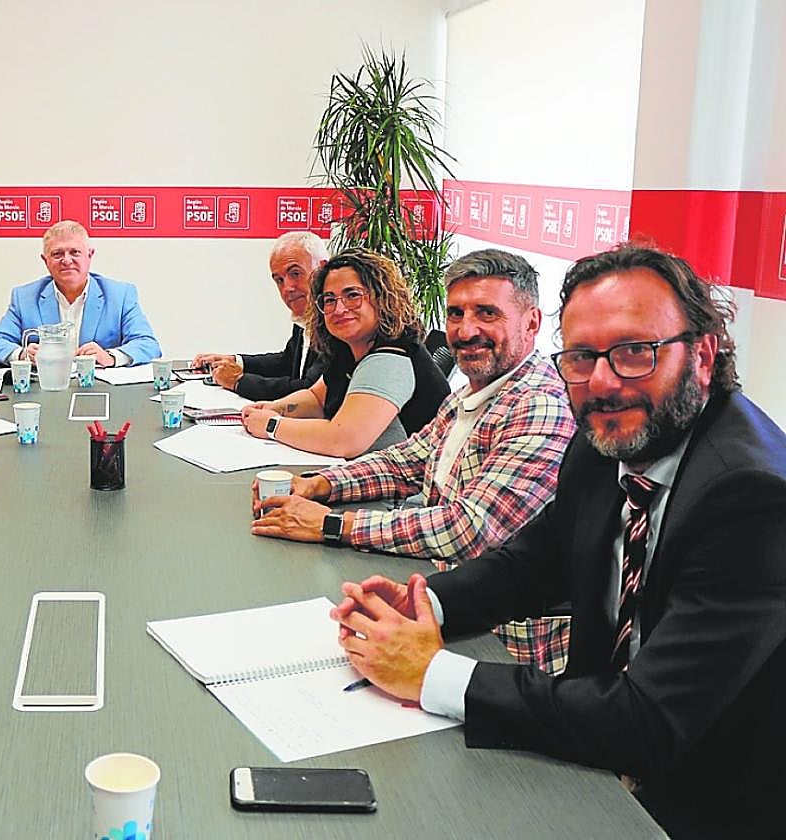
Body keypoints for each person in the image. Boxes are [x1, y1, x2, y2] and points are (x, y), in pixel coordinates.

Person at [331, 245, 786, 838]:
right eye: (580, 356)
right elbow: (535, 562)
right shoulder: (609, 439)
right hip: (592, 763)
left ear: (702, 355)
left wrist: (433, 676)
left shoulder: (751, 497)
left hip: (693, 802)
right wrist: (423, 603)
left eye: (633, 352)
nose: (601, 381)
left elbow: (647, 719)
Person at [251, 249, 576, 672]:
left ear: (532, 321)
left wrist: (331, 524)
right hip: (441, 597)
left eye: (487, 313)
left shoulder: (537, 406)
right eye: (456, 314)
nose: (465, 329)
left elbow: (468, 530)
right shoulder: (474, 394)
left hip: (501, 647)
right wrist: (319, 484)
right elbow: (407, 461)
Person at [240, 249, 448, 459]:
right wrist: (274, 407)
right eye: (329, 300)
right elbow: (317, 399)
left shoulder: (391, 357)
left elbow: (344, 440)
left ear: (382, 297)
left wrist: (271, 425)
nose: (339, 309)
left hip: (405, 488)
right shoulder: (351, 348)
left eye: (352, 296)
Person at [0, 220, 161, 367]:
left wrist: (110, 357)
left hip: (100, 391)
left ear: (89, 255)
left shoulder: (120, 295)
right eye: (57, 254)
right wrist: (22, 354)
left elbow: (148, 344)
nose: (66, 260)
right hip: (46, 390)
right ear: (46, 260)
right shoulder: (25, 297)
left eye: (75, 252)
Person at [192, 231, 329, 400]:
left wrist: (238, 381)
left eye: (295, 274)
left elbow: (309, 391)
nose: (287, 288)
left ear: (322, 268)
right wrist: (235, 361)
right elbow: (286, 362)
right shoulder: (306, 316)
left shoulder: (337, 322)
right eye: (279, 280)